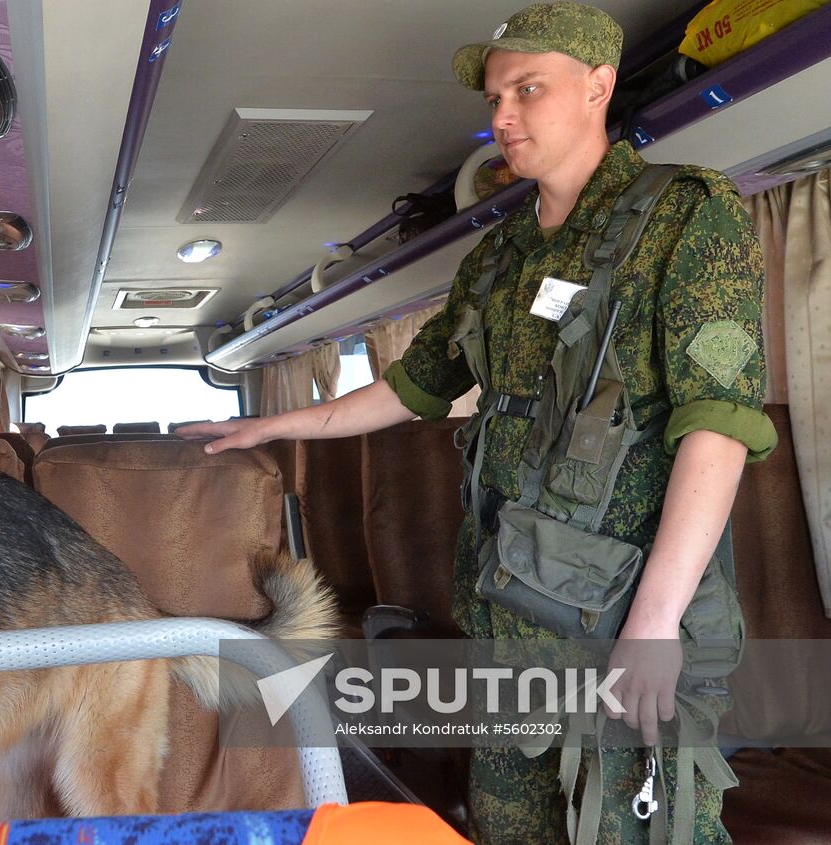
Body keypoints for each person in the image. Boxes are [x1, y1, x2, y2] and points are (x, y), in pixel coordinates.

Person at [179, 3, 777, 843]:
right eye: (496, 97)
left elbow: (717, 426)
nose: (502, 117)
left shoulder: (687, 216)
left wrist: (653, 627)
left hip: (622, 621)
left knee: (640, 829)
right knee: (505, 826)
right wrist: (275, 428)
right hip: (510, 621)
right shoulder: (498, 257)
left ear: (599, 86)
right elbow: (414, 386)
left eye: (528, 90)